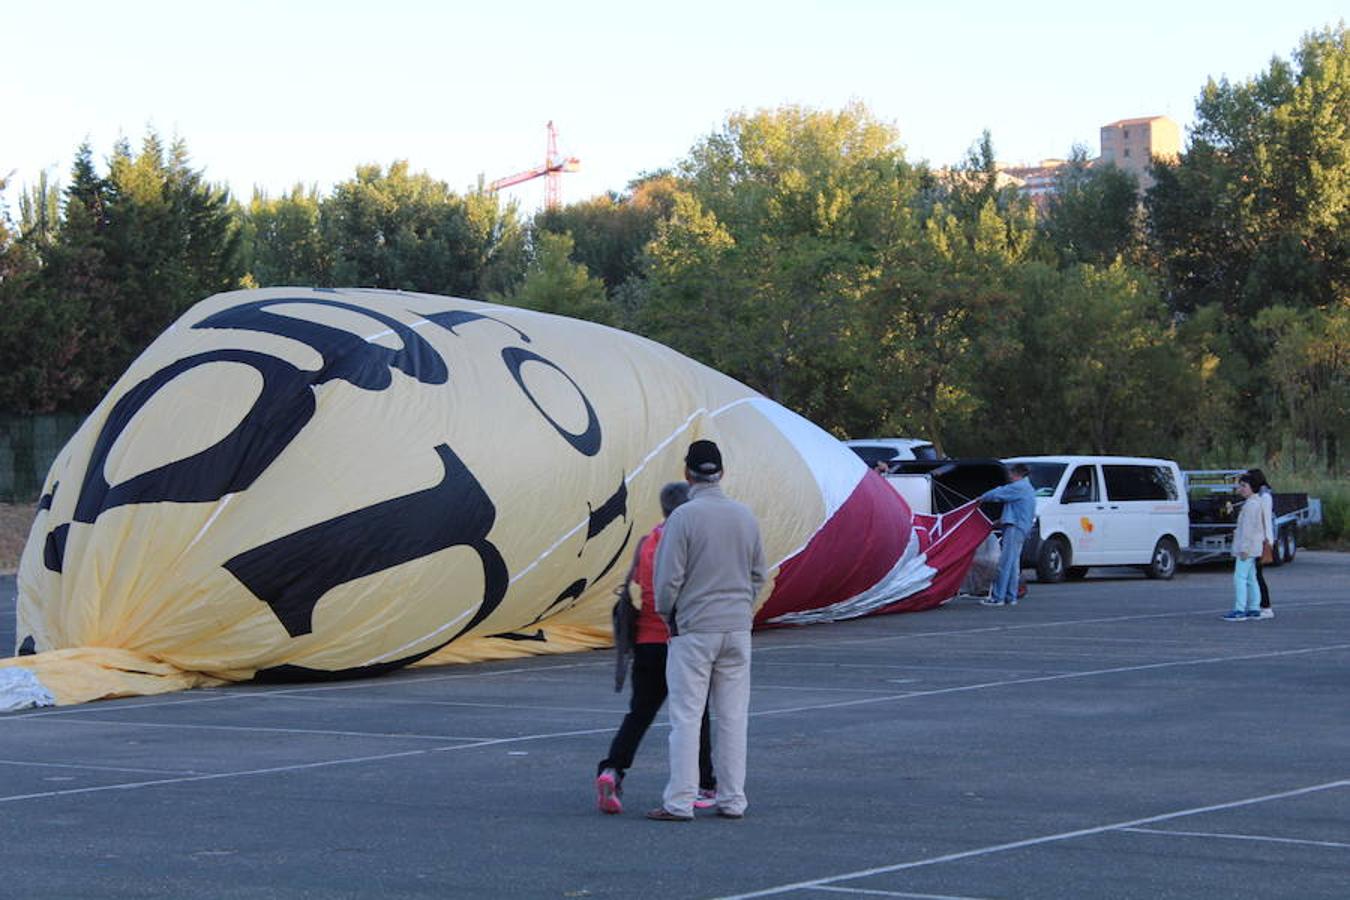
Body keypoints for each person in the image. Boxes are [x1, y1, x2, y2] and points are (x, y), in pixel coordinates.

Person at [646, 439, 765, 822]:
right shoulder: (745, 516)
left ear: (687, 474)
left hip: (695, 628)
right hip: (736, 627)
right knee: (733, 718)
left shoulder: (683, 518)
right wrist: (743, 606)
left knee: (687, 716)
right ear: (722, 473)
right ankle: (733, 799)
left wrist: (669, 615)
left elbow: (667, 580)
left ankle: (680, 801)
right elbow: (759, 574)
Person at [595, 482, 717, 815]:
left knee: (639, 714)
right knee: (697, 715)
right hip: (681, 641)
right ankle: (706, 783)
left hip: (647, 643)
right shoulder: (687, 542)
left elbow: (639, 583)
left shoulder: (647, 541)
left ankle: (612, 769)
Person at [977, 463, 1037, 607]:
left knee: (1005, 563)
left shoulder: (1019, 487)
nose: (1009, 476)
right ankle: (1011, 596)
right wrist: (1001, 520)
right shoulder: (1027, 488)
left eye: (1011, 473)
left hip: (1015, 528)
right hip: (1021, 527)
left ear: (1017, 474)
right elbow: (1016, 508)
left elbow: (999, 493)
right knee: (1013, 564)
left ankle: (998, 597)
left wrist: (981, 498)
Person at [1224, 473, 1266, 621]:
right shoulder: (1255, 502)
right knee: (1251, 577)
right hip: (1254, 547)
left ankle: (1239, 609)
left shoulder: (1251, 505)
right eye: (1240, 485)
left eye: (1244, 486)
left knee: (1239, 577)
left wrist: (1244, 549)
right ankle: (1254, 607)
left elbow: (1248, 530)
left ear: (1252, 488)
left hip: (1247, 548)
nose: (1241, 489)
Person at [1247, 468, 1276, 618]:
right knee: (1254, 574)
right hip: (1258, 539)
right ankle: (1258, 604)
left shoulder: (1264, 496)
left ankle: (1266, 606)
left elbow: (1266, 520)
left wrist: (1268, 540)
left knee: (1258, 574)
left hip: (1261, 540)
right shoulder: (1259, 495)